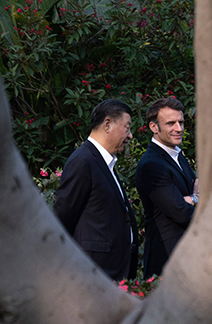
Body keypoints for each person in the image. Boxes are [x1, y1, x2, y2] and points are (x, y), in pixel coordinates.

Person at [54, 99, 139, 281]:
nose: (130, 135)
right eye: (127, 127)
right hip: (95, 274)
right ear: (107, 124)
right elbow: (62, 218)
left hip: (113, 273)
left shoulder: (104, 162)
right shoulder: (83, 161)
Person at [135, 97, 198, 277]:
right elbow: (182, 213)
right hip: (167, 259)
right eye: (171, 123)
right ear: (154, 127)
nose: (179, 129)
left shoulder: (178, 156)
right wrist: (195, 197)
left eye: (181, 122)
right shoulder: (151, 165)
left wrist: (191, 199)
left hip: (188, 255)